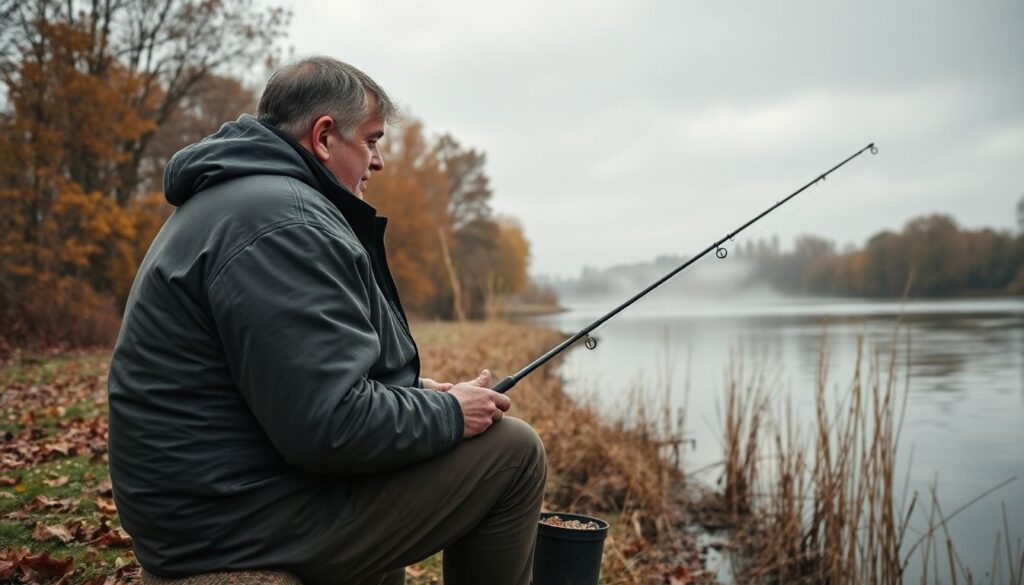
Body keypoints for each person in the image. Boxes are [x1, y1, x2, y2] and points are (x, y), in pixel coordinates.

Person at [107, 56, 547, 585]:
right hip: (221, 520)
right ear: (322, 137)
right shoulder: (283, 223)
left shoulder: (251, 201)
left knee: (404, 478)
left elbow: (294, 377)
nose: (378, 161)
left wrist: (419, 394)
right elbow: (329, 427)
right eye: (372, 140)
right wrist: (452, 415)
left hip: (210, 497)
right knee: (514, 453)